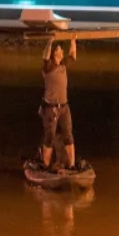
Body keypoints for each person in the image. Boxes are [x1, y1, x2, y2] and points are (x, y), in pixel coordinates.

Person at [39, 35, 77, 172]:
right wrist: (50, 42)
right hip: (51, 108)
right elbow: (45, 56)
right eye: (60, 50)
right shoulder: (49, 66)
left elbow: (72, 55)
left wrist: (73, 40)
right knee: (50, 136)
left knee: (68, 134)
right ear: (55, 53)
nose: (62, 52)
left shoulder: (63, 65)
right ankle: (46, 165)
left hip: (64, 107)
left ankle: (72, 165)